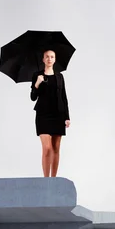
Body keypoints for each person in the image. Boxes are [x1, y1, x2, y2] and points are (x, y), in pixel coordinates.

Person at [30, 49, 71, 177]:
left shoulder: (59, 77)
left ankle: (54, 179)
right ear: (43, 59)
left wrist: (67, 117)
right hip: (43, 115)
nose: (49, 59)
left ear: (54, 59)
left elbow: (64, 97)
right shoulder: (37, 75)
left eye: (52, 57)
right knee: (47, 148)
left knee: (56, 148)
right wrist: (37, 83)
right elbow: (32, 97)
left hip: (58, 115)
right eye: (47, 57)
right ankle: (46, 178)